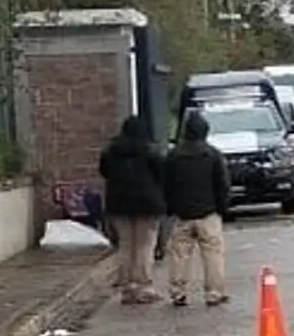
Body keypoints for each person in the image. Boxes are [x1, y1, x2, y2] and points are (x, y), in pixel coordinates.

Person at [164, 110, 231, 307]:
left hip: (183, 214)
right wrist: (221, 207)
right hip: (208, 213)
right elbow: (222, 184)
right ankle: (214, 292)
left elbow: (166, 184)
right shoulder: (212, 154)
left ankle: (178, 292)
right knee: (212, 254)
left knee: (179, 255)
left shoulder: (174, 155)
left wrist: (171, 208)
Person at [99, 116, 166, 305]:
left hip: (119, 205)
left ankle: (128, 286)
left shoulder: (111, 152)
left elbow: (104, 172)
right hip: (147, 203)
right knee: (145, 245)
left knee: (126, 244)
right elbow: (161, 174)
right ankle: (143, 285)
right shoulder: (151, 152)